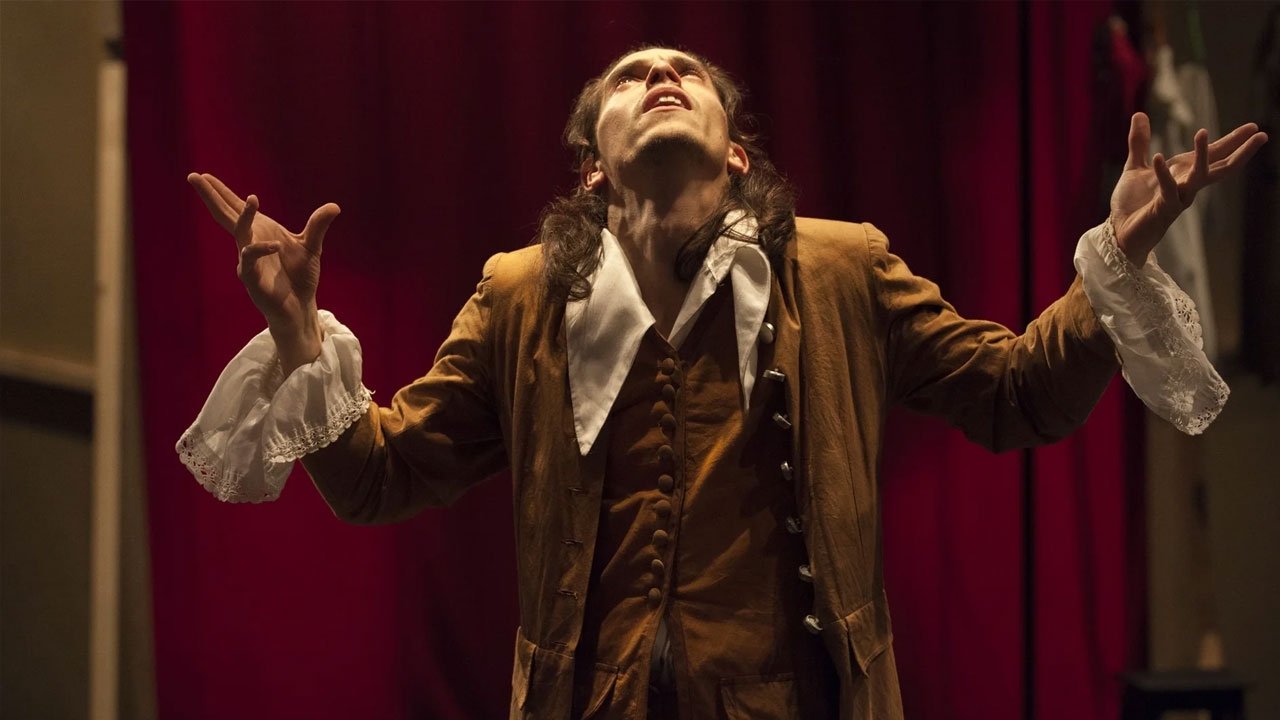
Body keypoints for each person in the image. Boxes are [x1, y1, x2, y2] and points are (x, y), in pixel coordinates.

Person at [177, 47, 1266, 720]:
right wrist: (298, 334)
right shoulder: (520, 296)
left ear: (736, 154)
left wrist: (1116, 262)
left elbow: (1017, 393)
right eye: (630, 78)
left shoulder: (839, 269)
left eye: (685, 73)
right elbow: (380, 477)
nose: (660, 77)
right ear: (593, 167)